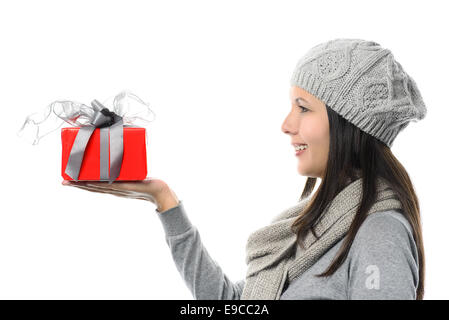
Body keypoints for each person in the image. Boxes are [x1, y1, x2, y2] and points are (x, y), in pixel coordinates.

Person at [62, 38, 426, 300]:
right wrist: (164, 200)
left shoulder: (379, 231)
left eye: (303, 107)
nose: (287, 124)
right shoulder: (316, 224)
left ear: (348, 123)